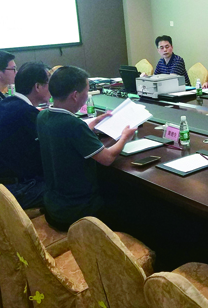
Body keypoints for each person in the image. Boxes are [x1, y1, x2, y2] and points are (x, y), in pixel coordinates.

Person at [37, 66, 137, 231]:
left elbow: (65, 138)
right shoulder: (73, 125)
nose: (87, 95)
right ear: (75, 95)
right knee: (136, 207)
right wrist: (125, 137)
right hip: (78, 212)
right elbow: (107, 158)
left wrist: (91, 125)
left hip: (54, 206)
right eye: (87, 91)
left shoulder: (43, 116)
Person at [0, 62, 51, 209]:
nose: (52, 88)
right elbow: (51, 150)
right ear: (37, 86)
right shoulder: (25, 113)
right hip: (14, 190)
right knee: (72, 187)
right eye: (49, 83)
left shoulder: (8, 103)